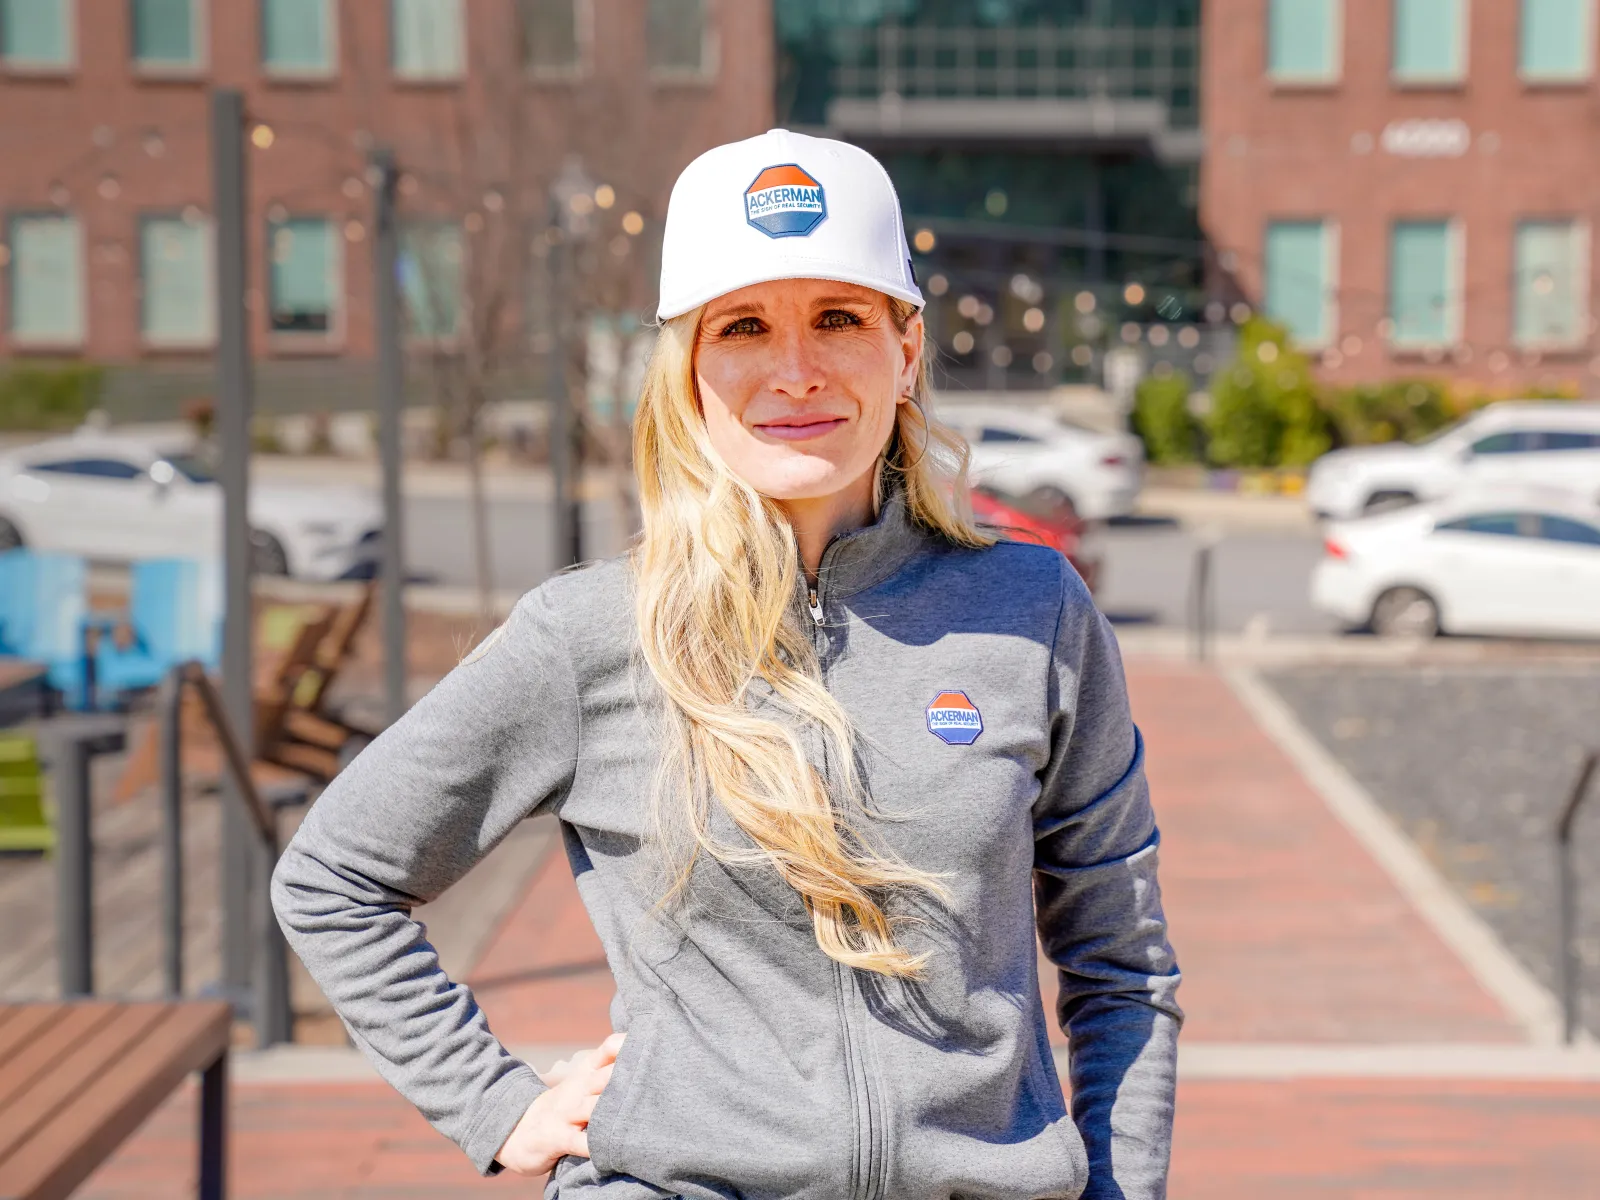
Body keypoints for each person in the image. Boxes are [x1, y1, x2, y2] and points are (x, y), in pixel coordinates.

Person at [273, 128, 1181, 1199]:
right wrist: (495, 1101)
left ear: (905, 348)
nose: (794, 368)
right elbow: (334, 878)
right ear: (689, 368)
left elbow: (1121, 964)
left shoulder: (1032, 613)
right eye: (743, 324)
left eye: (837, 316)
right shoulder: (592, 634)